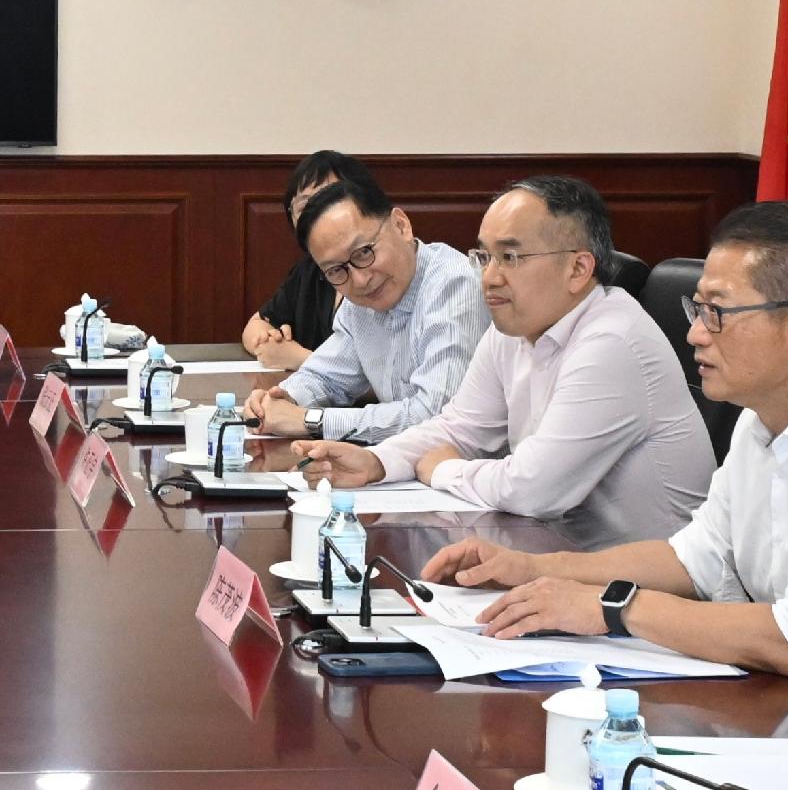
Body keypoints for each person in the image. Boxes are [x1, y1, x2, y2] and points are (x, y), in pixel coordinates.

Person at [423, 201, 788, 737]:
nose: (694, 333)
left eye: (718, 314)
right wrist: (536, 568)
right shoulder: (764, 419)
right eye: (697, 308)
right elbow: (695, 558)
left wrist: (611, 608)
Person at [294, 177, 707, 544]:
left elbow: (533, 488)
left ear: (578, 268)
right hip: (558, 559)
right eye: (485, 257)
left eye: (510, 258)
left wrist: (442, 471)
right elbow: (459, 427)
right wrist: (375, 462)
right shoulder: (515, 328)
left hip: (649, 597)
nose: (489, 278)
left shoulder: (612, 341)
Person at [238, 166, 482, 448]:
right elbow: (325, 378)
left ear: (401, 225)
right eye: (337, 270)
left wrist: (310, 421)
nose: (360, 279)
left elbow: (433, 417)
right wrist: (279, 400)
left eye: (364, 252)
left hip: (471, 476)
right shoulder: (360, 303)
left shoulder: (455, 284)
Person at [237, 150, 356, 370]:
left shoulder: (373, 271)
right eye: (303, 207)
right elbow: (255, 325)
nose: (315, 213)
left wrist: (299, 358)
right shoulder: (309, 270)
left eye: (327, 199)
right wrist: (270, 341)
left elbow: (381, 380)